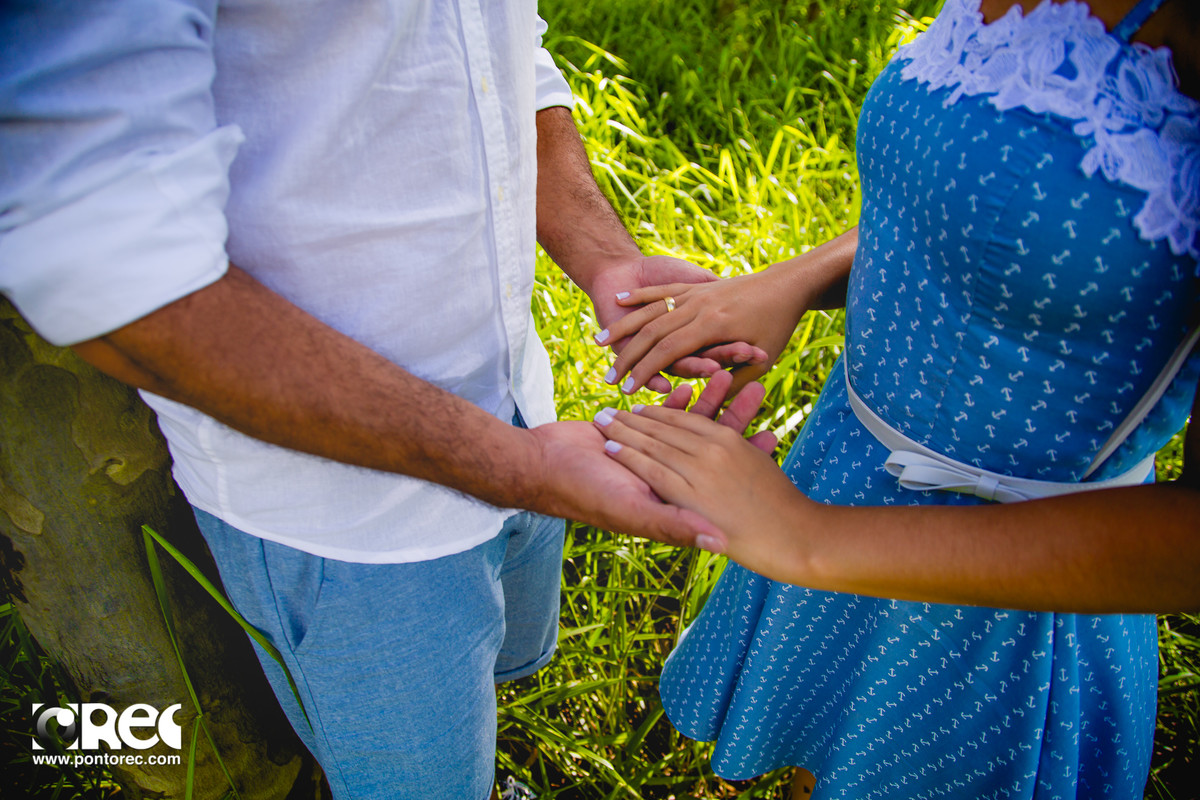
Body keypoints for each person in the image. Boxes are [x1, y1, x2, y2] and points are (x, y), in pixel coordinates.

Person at [0, 2, 768, 798]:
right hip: (343, 521)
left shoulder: (539, 445)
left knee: (482, 697)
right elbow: (118, 278)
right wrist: (520, 467)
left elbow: (504, 58)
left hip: (520, 407)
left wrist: (608, 261)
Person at [590, 0, 1199, 797]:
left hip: (1005, 604)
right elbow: (966, 194)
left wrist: (805, 537)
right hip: (844, 466)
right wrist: (794, 281)